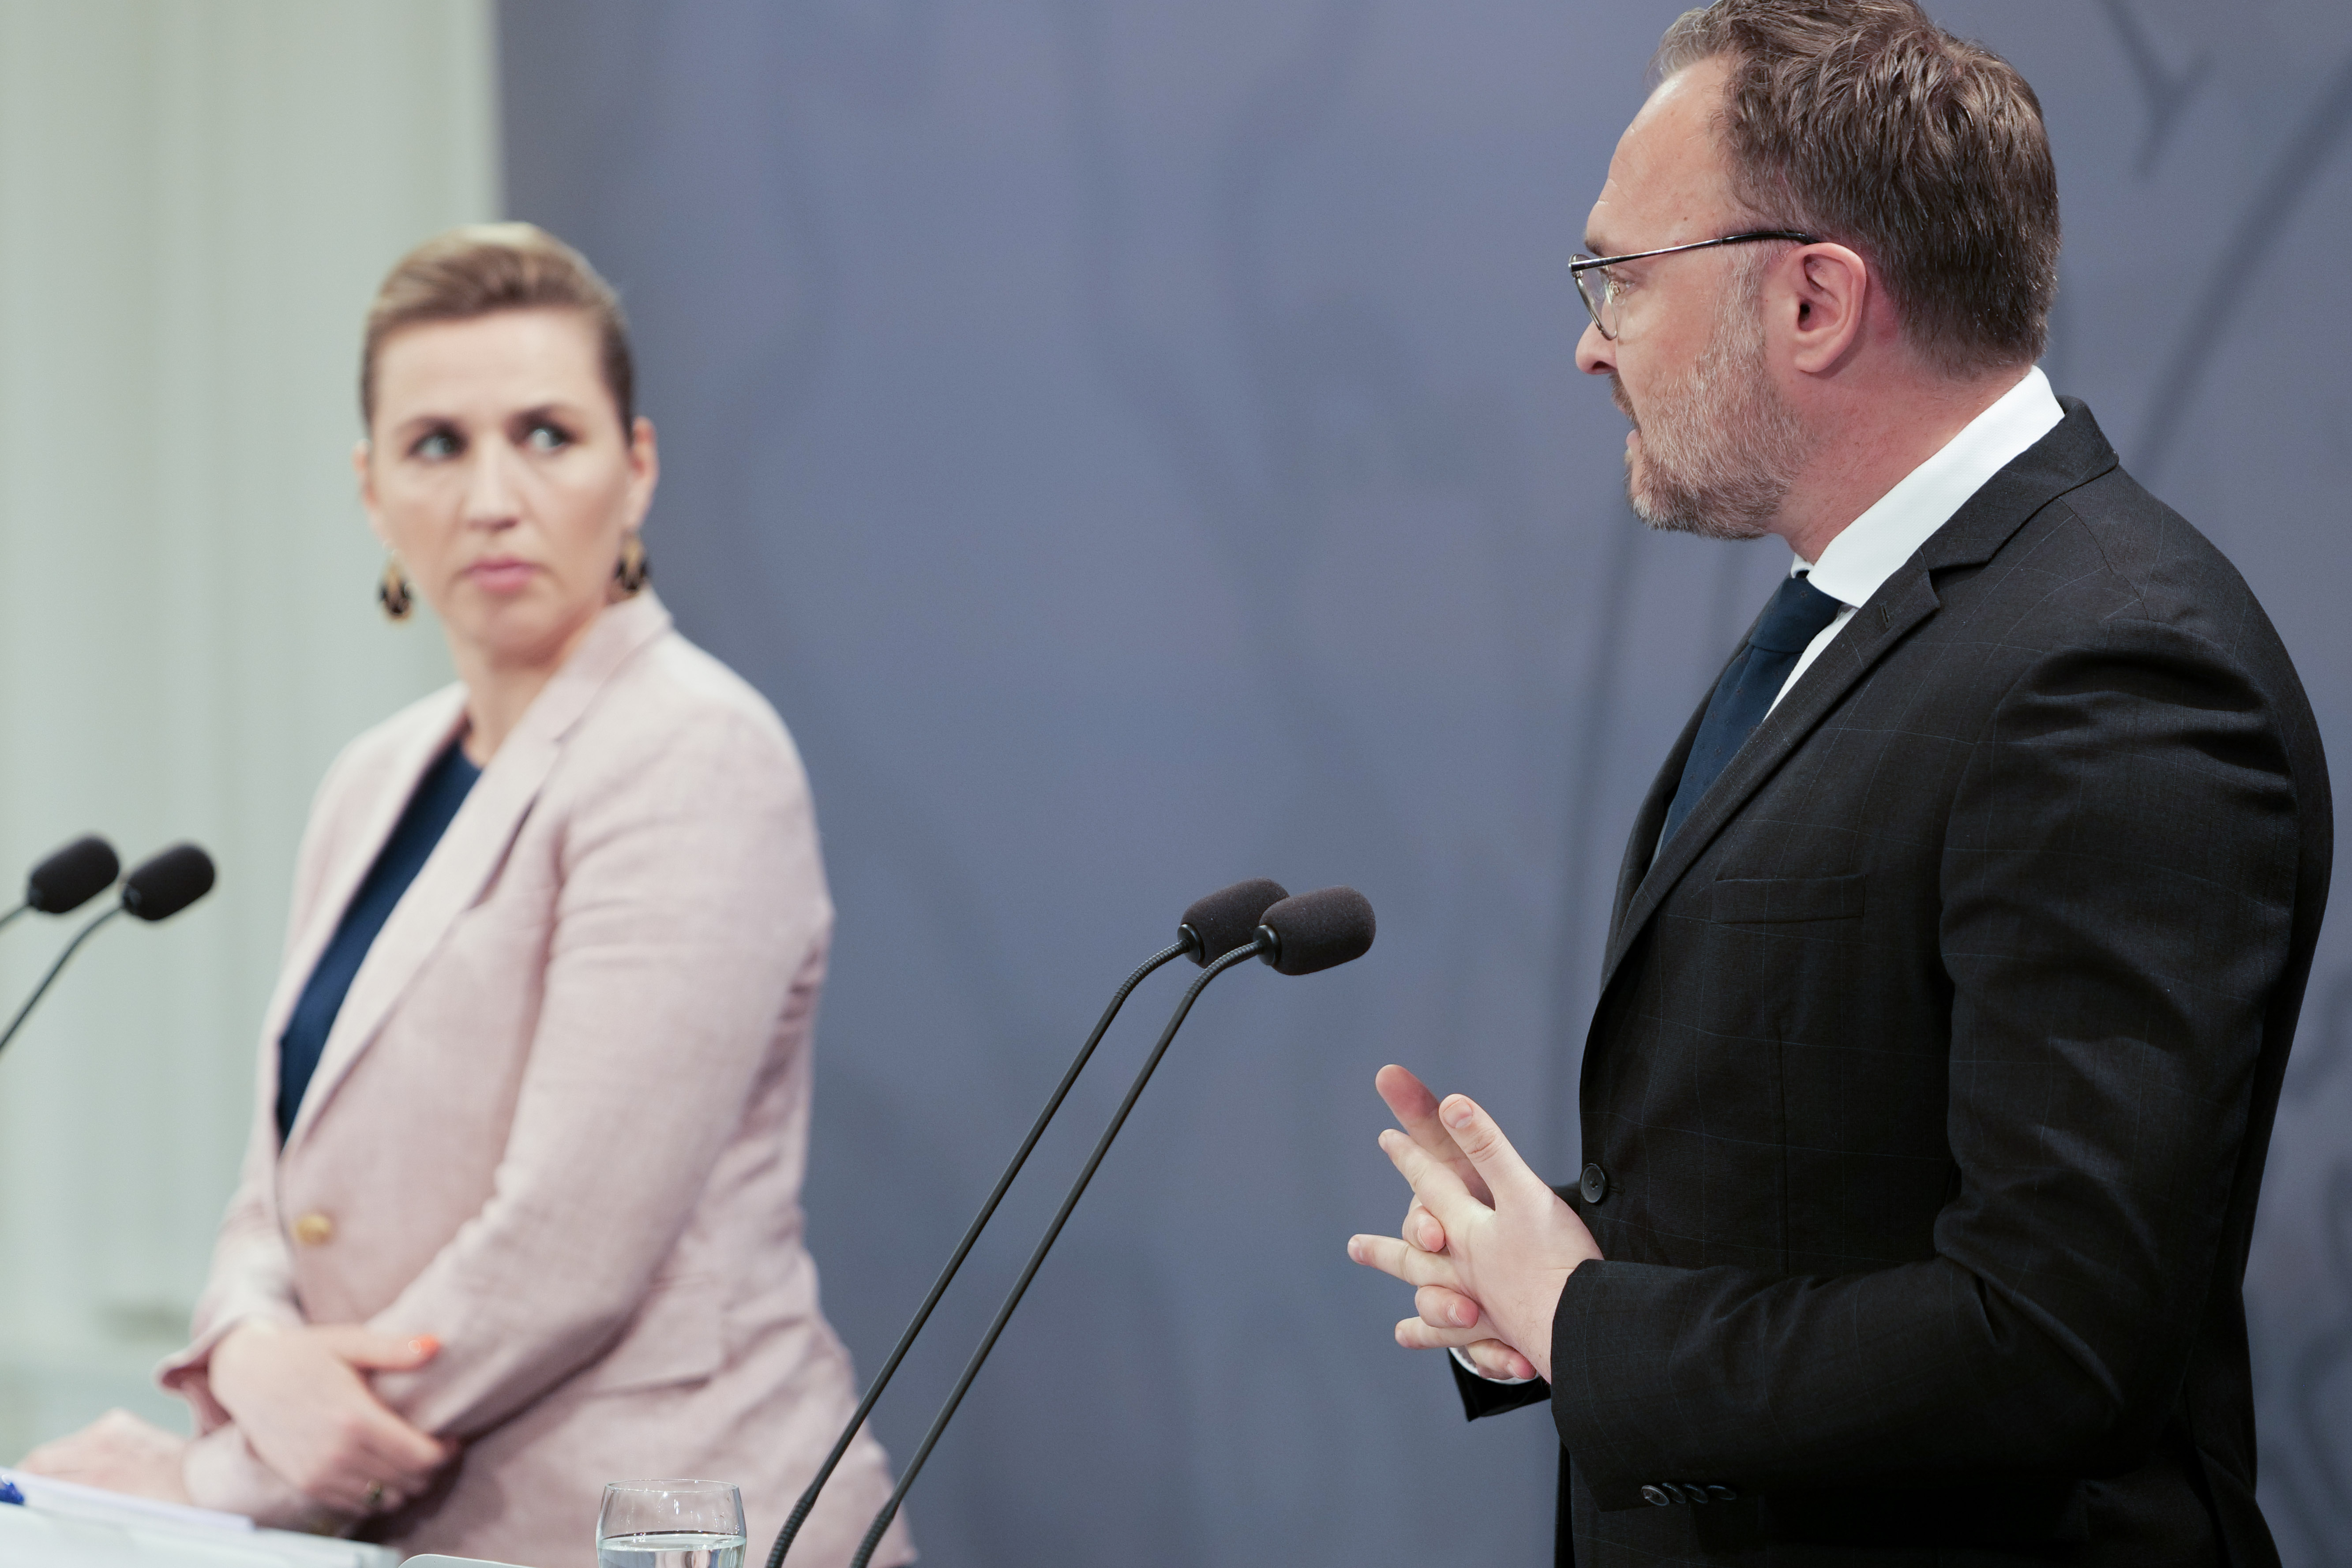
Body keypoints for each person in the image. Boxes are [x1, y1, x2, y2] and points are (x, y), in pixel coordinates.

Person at [1346, 3, 2329, 1564]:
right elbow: (1825, 1172)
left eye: (1619, 278)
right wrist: (1538, 1285)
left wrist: (1593, 1324)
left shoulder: (2113, 669)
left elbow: (2050, 1337)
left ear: (1812, 299)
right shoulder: (1867, 619)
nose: (1589, 343)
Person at [16, 224, 915, 1568]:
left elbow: (565, 1253)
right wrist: (249, 1343)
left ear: (637, 468)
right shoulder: (373, 778)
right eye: (437, 445)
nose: (493, 495)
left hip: (666, 1526)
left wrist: (221, 1474)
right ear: (372, 489)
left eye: (546, 435)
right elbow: (282, 1183)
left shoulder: (696, 753)